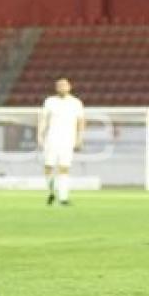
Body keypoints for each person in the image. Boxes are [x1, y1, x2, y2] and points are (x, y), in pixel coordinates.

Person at [37, 77, 85, 206]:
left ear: (69, 87)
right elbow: (44, 119)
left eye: (64, 85)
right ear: (56, 88)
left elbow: (81, 122)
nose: (62, 87)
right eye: (59, 85)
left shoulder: (76, 103)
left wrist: (80, 138)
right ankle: (51, 192)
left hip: (68, 140)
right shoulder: (50, 101)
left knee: (64, 168)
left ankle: (63, 197)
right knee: (49, 167)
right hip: (51, 139)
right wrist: (40, 135)